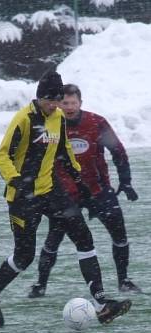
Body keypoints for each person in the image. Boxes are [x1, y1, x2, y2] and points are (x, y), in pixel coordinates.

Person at [0, 71, 131, 328]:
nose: (54, 105)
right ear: (39, 98)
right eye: (49, 101)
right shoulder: (24, 119)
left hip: (52, 191)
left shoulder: (58, 117)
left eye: (57, 100)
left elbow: (64, 150)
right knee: (24, 257)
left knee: (84, 238)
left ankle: (101, 305)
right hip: (23, 196)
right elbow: (2, 156)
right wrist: (15, 180)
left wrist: (79, 181)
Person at [28, 84, 141, 298]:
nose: (69, 107)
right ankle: (40, 285)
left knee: (119, 233)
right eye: (65, 103)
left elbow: (118, 150)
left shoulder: (96, 123)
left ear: (81, 103)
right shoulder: (50, 126)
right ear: (58, 104)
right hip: (64, 195)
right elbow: (35, 158)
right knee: (53, 239)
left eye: (73, 103)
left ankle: (123, 280)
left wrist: (125, 181)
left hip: (97, 191)